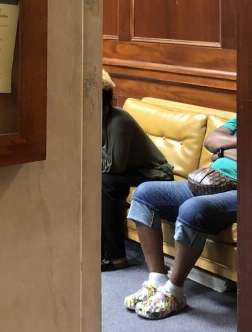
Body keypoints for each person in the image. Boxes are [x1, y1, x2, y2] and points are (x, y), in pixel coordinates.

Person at [123, 115, 238, 320]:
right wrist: (236, 146)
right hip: (209, 180)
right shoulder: (247, 113)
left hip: (244, 190)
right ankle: (157, 279)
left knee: (191, 209)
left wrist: (222, 151)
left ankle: (175, 291)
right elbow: (211, 140)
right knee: (144, 194)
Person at [101, 70, 174, 272]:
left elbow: (114, 166)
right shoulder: (99, 120)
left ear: (106, 106)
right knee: (101, 183)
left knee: (104, 182)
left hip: (155, 174)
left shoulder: (118, 121)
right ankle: (102, 252)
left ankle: (116, 256)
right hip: (130, 172)